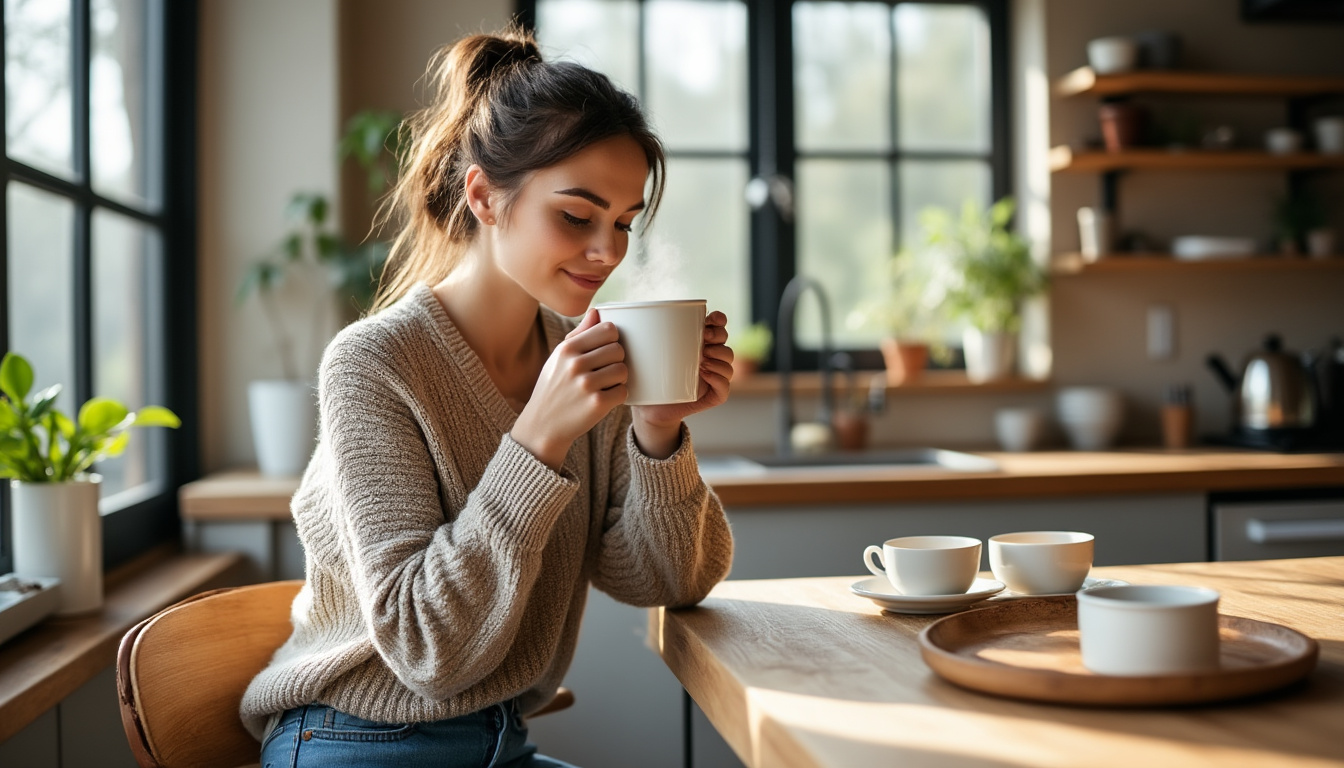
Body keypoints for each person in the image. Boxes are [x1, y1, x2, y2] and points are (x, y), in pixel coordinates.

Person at [240, 26, 736, 768]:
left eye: (624, 224)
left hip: (500, 744)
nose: (608, 251)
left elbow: (671, 581)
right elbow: (426, 650)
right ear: (484, 197)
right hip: (355, 739)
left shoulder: (582, 357)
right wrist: (537, 440)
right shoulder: (372, 364)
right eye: (577, 216)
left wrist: (657, 431)